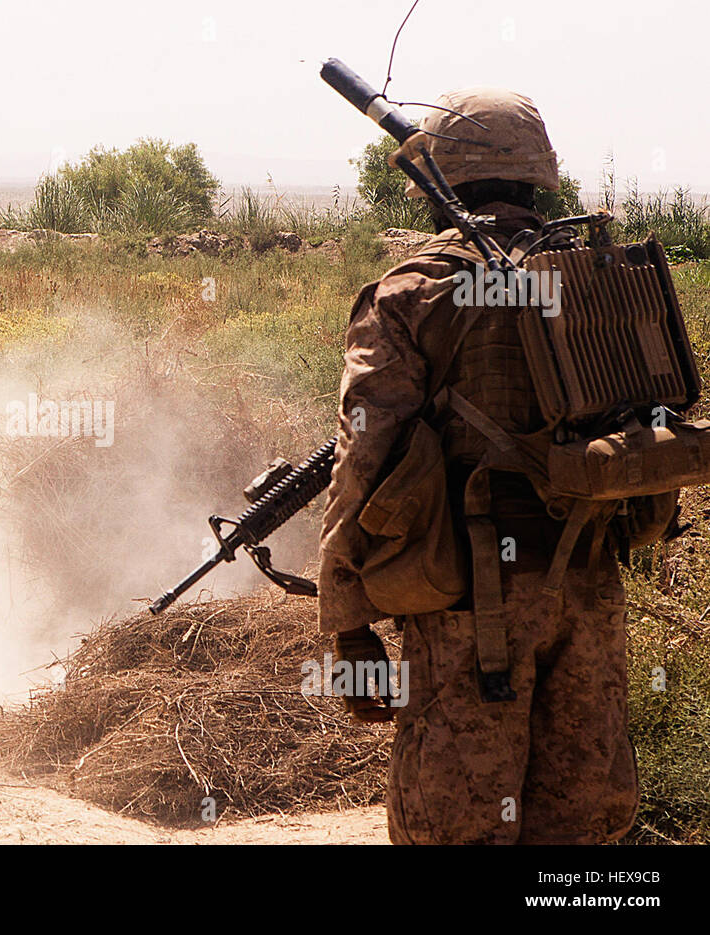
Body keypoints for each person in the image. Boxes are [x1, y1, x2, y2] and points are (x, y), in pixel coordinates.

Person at [317, 88, 672, 843]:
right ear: (537, 177)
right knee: (581, 827)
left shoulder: (412, 294)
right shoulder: (599, 277)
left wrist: (347, 620)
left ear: (440, 179)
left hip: (471, 598)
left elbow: (362, 453)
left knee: (457, 823)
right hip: (590, 580)